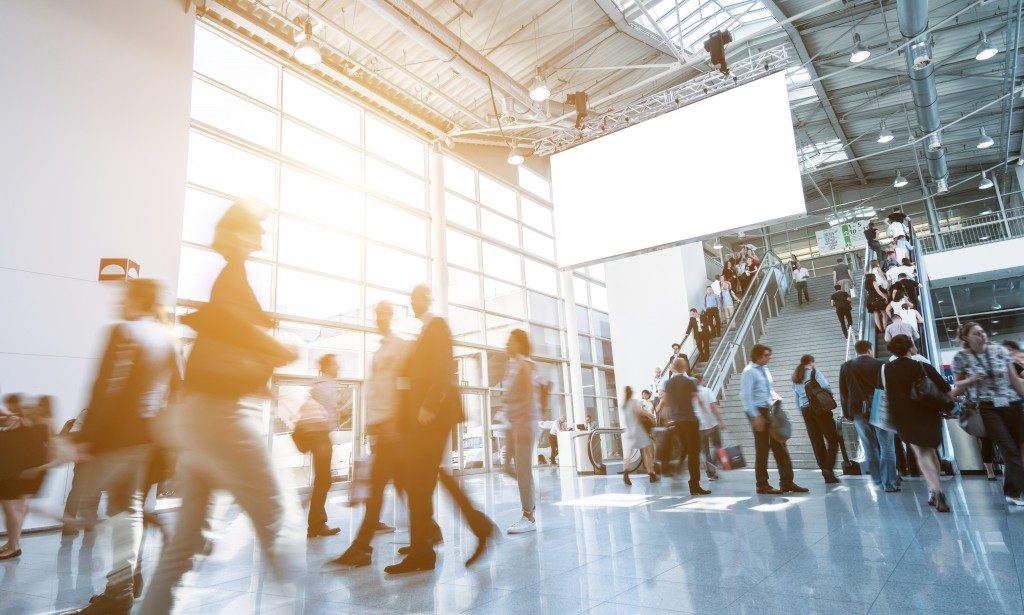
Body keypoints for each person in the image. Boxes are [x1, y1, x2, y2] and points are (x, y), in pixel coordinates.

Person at [140, 200, 300, 614]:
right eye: (257, 229)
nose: (263, 237)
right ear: (241, 235)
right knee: (277, 517)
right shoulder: (233, 276)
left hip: (193, 422)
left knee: (186, 543)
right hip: (217, 418)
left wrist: (260, 376)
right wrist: (277, 349)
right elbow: (232, 326)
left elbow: (225, 337)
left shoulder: (231, 277)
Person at [64, 279, 180, 614]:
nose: (119, 303)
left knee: (86, 507)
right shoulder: (166, 340)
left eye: (124, 297)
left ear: (136, 300)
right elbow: (175, 396)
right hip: (144, 444)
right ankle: (121, 591)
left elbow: (107, 388)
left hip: (113, 442)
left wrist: (86, 439)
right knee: (124, 513)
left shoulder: (124, 333)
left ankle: (118, 590)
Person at [385, 284, 494, 574]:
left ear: (426, 298)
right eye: (410, 297)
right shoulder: (422, 332)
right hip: (425, 418)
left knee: (419, 480)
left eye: (415, 297)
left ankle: (424, 549)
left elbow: (444, 368)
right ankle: (472, 528)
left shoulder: (437, 325)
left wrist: (429, 405)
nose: (411, 301)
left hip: (434, 415)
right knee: (426, 477)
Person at [332, 302, 411, 566]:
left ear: (392, 316)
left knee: (377, 489)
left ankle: (362, 546)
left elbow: (403, 385)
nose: (380, 318)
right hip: (382, 427)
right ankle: (428, 531)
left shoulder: (399, 347)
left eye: (385, 314)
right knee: (401, 486)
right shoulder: (380, 351)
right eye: (377, 314)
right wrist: (372, 423)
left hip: (392, 429)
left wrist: (394, 422)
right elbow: (377, 390)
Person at [953, 323, 1024, 506]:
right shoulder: (961, 358)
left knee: (1017, 447)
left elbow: (1015, 380)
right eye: (976, 333)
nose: (982, 335)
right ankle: (1013, 493)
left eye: (982, 332)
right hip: (988, 407)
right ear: (966, 337)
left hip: (1013, 404)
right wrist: (972, 379)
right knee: (1009, 449)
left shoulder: (1000, 351)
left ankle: (1012, 488)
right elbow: (958, 388)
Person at [883, 335, 954, 512]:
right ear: (910, 348)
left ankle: (935, 490)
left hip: (904, 417)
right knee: (931, 450)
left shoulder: (885, 369)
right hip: (928, 414)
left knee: (920, 453)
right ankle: (935, 489)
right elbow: (946, 389)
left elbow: (882, 393)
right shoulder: (923, 366)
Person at [739, 344, 807, 495]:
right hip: (757, 411)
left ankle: (787, 482)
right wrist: (755, 416)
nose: (768, 357)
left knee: (780, 445)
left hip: (770, 409)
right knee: (762, 448)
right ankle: (762, 484)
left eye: (769, 355)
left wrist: (776, 397)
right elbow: (745, 395)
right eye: (766, 355)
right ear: (757, 356)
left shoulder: (765, 369)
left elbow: (768, 389)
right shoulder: (749, 372)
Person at [493, 329, 541, 534]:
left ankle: (528, 516)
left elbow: (529, 396)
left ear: (519, 344)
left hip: (523, 423)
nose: (506, 344)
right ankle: (531, 497)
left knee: (522, 469)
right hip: (513, 423)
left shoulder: (524, 365)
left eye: (510, 341)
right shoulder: (512, 366)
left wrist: (521, 423)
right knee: (507, 467)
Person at [840, 341, 898, 492]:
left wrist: (847, 413)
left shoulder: (846, 366)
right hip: (880, 407)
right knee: (887, 447)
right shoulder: (881, 364)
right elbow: (890, 387)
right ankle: (889, 483)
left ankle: (877, 480)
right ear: (869, 349)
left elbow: (843, 392)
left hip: (858, 410)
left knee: (869, 446)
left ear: (857, 351)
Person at [296, 354, 343, 539]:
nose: (339, 367)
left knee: (323, 480)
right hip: (320, 436)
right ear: (328, 366)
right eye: (336, 364)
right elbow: (325, 414)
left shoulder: (320, 385)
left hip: (320, 436)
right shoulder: (325, 386)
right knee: (323, 480)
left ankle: (316, 523)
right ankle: (316, 524)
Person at [658, 358, 709, 496]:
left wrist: (668, 420)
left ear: (674, 367)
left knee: (685, 448)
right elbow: (698, 399)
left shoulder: (668, 383)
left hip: (676, 422)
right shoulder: (689, 381)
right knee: (694, 453)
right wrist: (707, 417)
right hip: (690, 420)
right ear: (685, 367)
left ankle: (677, 468)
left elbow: (666, 403)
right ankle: (694, 485)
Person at [791, 355, 840, 484]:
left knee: (817, 441)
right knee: (833, 439)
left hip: (805, 411)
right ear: (811, 362)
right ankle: (828, 468)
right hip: (820, 410)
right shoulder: (815, 372)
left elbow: (796, 398)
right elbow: (826, 386)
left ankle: (825, 472)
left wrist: (802, 411)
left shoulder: (796, 377)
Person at [621, 387, 658, 486]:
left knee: (628, 453)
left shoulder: (624, 404)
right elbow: (640, 412)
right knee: (647, 452)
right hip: (638, 430)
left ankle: (625, 473)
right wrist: (651, 416)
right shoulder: (634, 402)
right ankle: (651, 474)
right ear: (631, 393)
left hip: (629, 431)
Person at [694, 374, 724, 482]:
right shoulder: (707, 391)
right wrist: (721, 421)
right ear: (701, 380)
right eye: (704, 379)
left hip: (698, 426)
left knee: (704, 450)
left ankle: (710, 473)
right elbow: (714, 407)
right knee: (719, 446)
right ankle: (714, 466)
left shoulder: (691, 394)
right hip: (711, 423)